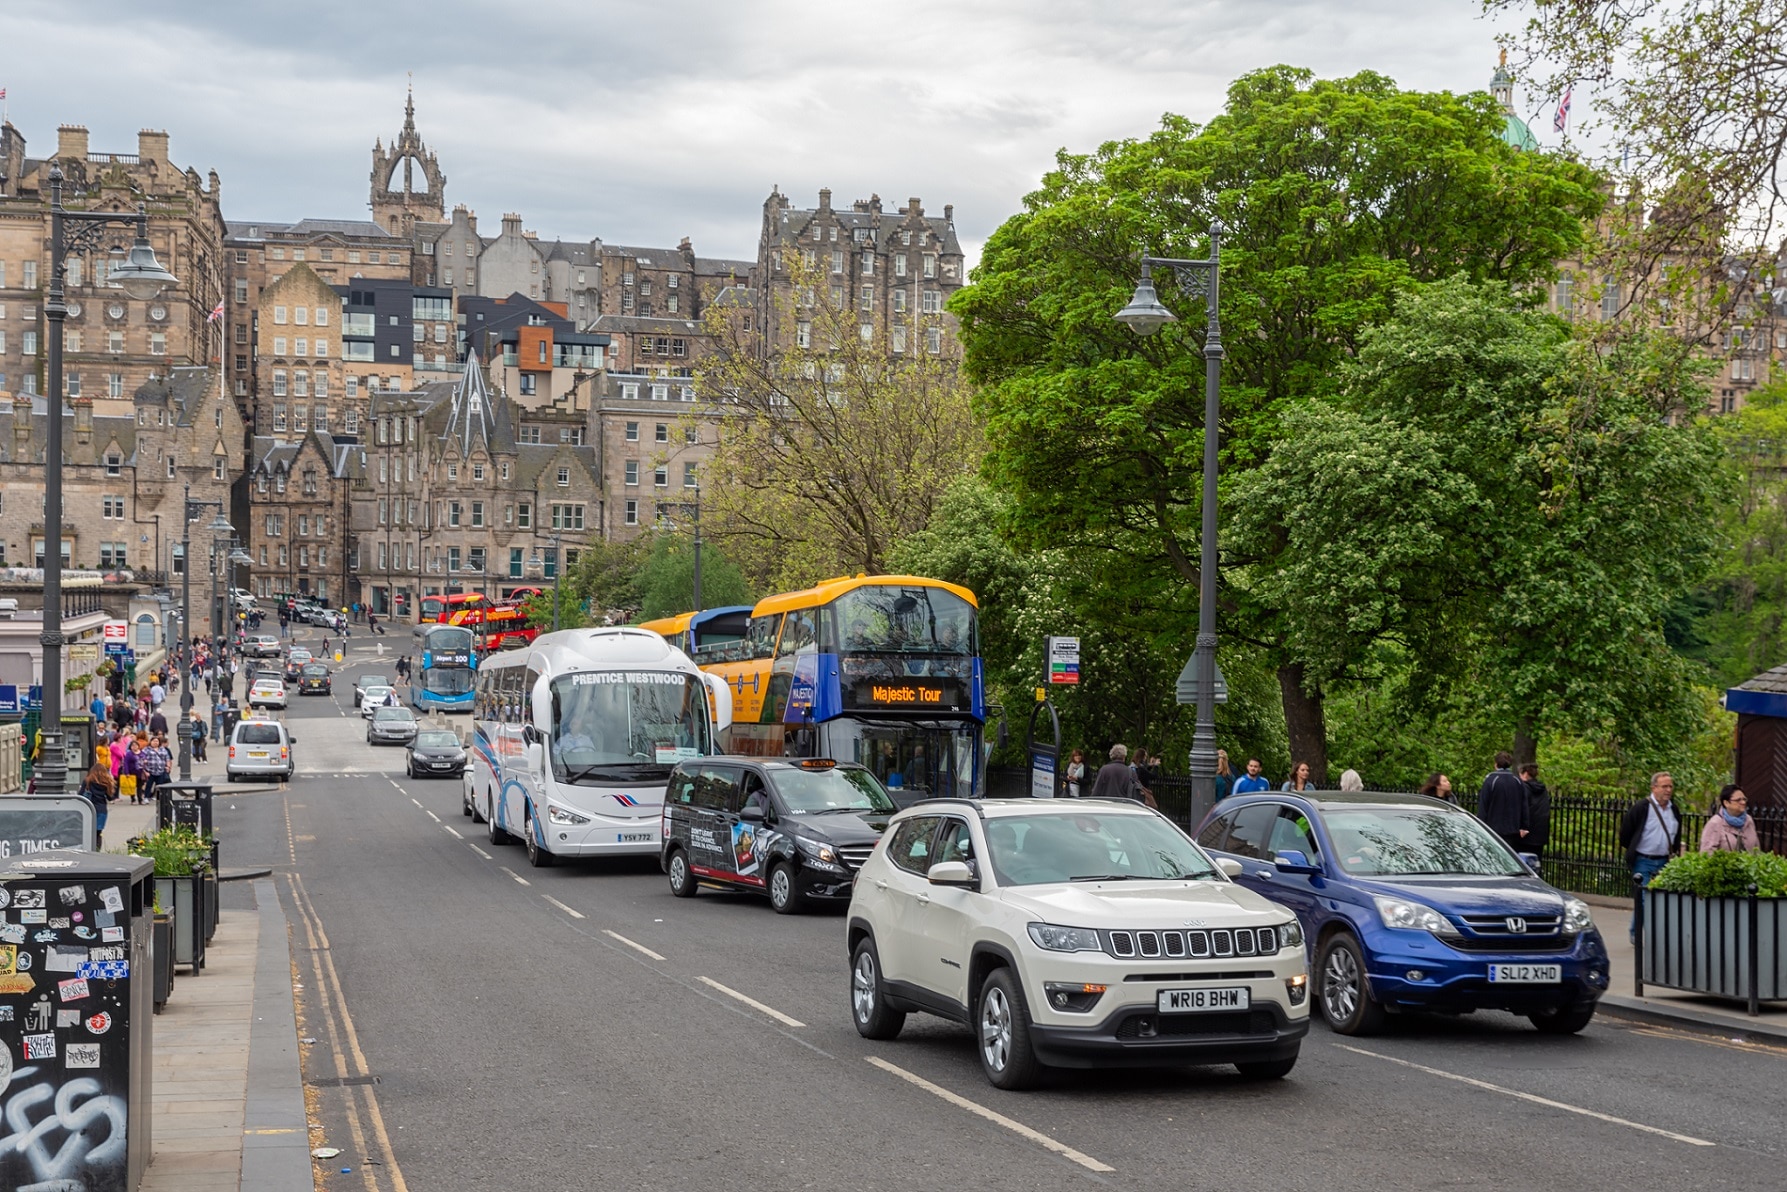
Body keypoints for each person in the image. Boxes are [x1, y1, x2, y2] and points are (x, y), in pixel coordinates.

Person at [1618, 772, 1682, 941]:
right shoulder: (1641, 808)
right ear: (1654, 788)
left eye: (1670, 786)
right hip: (1643, 860)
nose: (1668, 790)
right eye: (1664, 786)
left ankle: (1634, 930)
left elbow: (1677, 834)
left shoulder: (1673, 809)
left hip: (1664, 860)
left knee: (1655, 899)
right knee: (1646, 899)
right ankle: (1650, 936)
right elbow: (1625, 833)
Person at [1476, 751, 1529, 852]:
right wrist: (1524, 825)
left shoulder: (1491, 780)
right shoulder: (1517, 781)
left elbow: (1483, 805)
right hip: (1513, 828)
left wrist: (1480, 825)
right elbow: (1524, 805)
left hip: (1493, 828)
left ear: (1496, 764)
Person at [1700, 784, 1759, 853]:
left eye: (1744, 799)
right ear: (1726, 803)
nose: (1743, 802)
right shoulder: (1715, 823)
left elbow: (1756, 849)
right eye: (1738, 800)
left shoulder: (1748, 820)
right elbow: (1707, 853)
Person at [80, 751, 116, 850]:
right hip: (101, 809)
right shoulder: (106, 782)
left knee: (88, 832)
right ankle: (97, 850)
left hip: (89, 808)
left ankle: (88, 849)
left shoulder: (87, 781)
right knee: (98, 833)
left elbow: (80, 794)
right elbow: (110, 797)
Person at [1520, 762, 1551, 862]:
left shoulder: (1524, 788)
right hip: (1540, 833)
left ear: (1524, 774)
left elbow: (1522, 808)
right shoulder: (1542, 789)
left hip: (1525, 834)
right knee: (1536, 862)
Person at [139, 732, 171, 805]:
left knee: (159, 785)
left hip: (160, 770)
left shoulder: (162, 749)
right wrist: (144, 764)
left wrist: (168, 766)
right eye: (154, 741)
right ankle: (146, 797)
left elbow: (167, 758)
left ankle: (158, 797)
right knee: (149, 785)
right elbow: (141, 758)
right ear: (151, 742)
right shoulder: (146, 749)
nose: (155, 742)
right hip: (150, 770)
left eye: (157, 741)